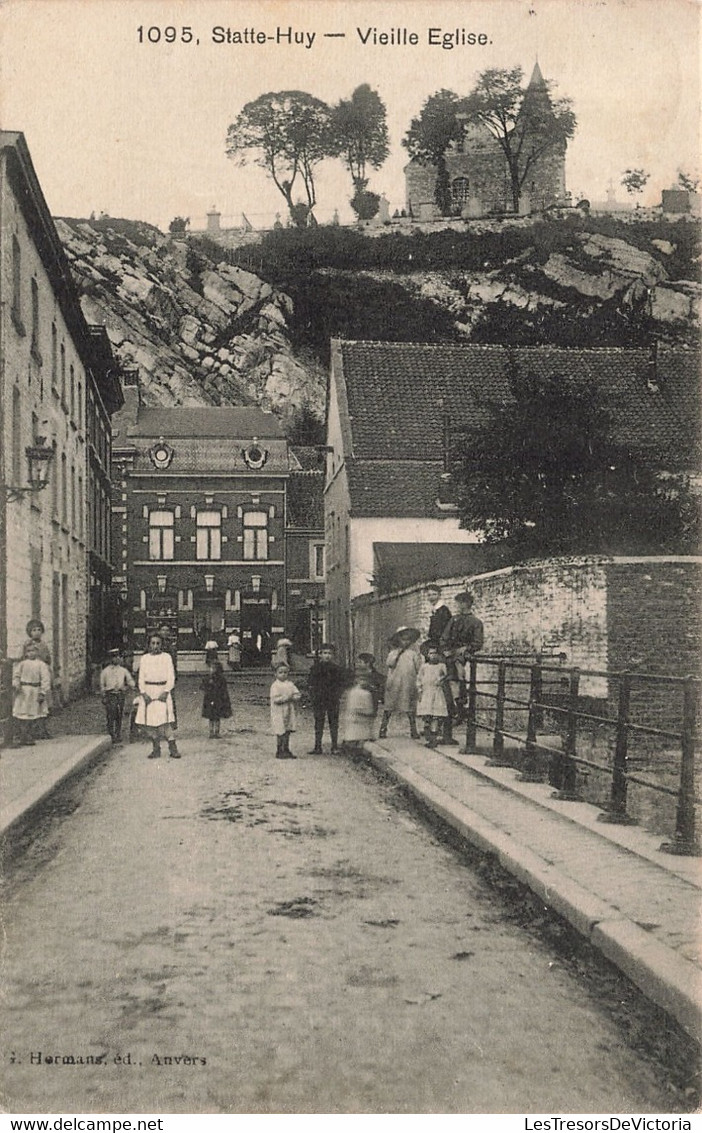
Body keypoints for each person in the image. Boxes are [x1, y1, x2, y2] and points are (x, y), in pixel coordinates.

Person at [440, 592, 484, 742]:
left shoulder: (475, 622)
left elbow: (478, 643)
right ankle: (448, 714)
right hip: (449, 656)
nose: (457, 606)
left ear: (466, 604)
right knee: (443, 680)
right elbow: (444, 638)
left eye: (459, 603)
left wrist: (465, 649)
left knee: (460, 678)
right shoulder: (454, 620)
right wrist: (446, 650)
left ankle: (460, 707)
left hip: (462, 657)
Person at [134, 632, 179, 759]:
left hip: (162, 691)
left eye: (158, 643)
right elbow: (141, 677)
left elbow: (171, 676)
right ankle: (156, 749)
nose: (155, 646)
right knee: (149, 722)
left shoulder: (166, 657)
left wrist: (166, 691)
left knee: (164, 722)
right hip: (148, 691)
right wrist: (143, 693)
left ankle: (173, 748)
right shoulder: (144, 658)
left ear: (162, 645)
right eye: (153, 643)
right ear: (148, 645)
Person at [379, 626, 422, 740]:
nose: (406, 642)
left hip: (408, 683)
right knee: (389, 707)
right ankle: (383, 729)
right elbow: (390, 663)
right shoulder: (393, 653)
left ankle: (413, 730)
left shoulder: (413, 654)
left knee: (410, 708)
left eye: (408, 639)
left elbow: (418, 668)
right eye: (403, 639)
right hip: (394, 683)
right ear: (398, 640)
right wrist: (397, 653)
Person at [306, 643, 346, 755]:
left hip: (332, 699)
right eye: (324, 653)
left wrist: (338, 694)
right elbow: (311, 684)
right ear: (320, 655)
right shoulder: (315, 669)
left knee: (333, 722)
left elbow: (341, 684)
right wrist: (313, 695)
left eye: (329, 653)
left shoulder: (337, 669)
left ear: (333, 655)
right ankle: (317, 746)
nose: (327, 656)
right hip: (319, 699)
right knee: (319, 722)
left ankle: (334, 746)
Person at [12, 641, 52, 746]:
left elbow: (45, 679)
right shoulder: (22, 664)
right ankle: (23, 735)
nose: (31, 653)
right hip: (24, 691)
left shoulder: (41, 664)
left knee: (34, 713)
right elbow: (16, 676)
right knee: (23, 713)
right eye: (29, 651)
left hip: (35, 690)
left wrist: (43, 692)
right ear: (25, 653)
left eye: (33, 650)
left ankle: (31, 734)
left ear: (37, 652)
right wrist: (17, 685)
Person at [22, 618, 53, 737]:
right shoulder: (28, 644)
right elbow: (24, 658)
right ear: (30, 632)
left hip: (43, 675)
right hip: (32, 676)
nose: (36, 632)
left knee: (44, 704)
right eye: (34, 630)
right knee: (31, 704)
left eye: (39, 630)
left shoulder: (44, 645)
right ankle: (31, 730)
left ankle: (43, 729)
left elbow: (48, 659)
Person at [342, 657, 379, 753]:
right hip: (356, 717)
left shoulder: (368, 691)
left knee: (363, 732)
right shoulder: (355, 692)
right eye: (360, 679)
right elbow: (352, 707)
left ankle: (359, 747)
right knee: (355, 732)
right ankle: (353, 747)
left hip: (364, 717)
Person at [416, 644, 450, 748]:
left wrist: (442, 680)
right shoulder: (424, 667)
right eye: (431, 653)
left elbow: (446, 676)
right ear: (427, 655)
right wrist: (420, 690)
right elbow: (419, 679)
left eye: (435, 653)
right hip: (427, 693)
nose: (433, 656)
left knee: (435, 715)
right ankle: (428, 734)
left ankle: (434, 739)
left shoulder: (441, 666)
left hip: (437, 692)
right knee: (427, 715)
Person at [99, 649, 136, 744]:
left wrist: (131, 685)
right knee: (111, 714)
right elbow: (102, 684)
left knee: (119, 714)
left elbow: (130, 680)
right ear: (111, 658)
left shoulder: (123, 670)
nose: (117, 659)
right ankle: (111, 733)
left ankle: (118, 733)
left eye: (118, 657)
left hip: (120, 694)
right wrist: (103, 695)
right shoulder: (105, 671)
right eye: (114, 657)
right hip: (110, 694)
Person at [269, 661, 301, 759]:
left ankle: (286, 749)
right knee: (280, 731)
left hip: (289, 711)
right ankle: (279, 750)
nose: (283, 675)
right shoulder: (275, 686)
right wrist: (286, 698)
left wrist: (295, 697)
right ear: (275, 674)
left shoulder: (290, 684)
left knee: (287, 730)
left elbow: (297, 694)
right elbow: (275, 699)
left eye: (285, 672)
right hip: (279, 712)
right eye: (280, 672)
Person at [201, 659, 232, 739]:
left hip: (215, 699)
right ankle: (213, 732)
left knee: (214, 717)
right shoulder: (210, 678)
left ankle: (215, 732)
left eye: (212, 668)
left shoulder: (218, 679)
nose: (211, 670)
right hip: (214, 699)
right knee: (214, 717)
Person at [426, 585, 452, 650]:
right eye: (429, 595)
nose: (431, 597)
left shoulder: (443, 610)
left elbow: (445, 629)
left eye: (434, 594)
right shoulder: (435, 610)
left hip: (442, 645)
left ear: (439, 595)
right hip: (436, 643)